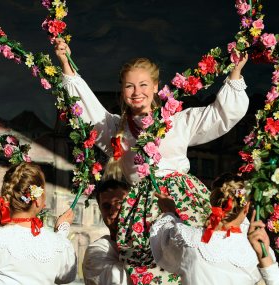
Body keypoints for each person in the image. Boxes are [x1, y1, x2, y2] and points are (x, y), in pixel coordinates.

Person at [55, 38, 249, 284]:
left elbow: (219, 115)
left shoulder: (177, 121)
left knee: (194, 264)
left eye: (144, 85)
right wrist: (65, 63)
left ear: (156, 86)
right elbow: (88, 110)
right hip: (140, 211)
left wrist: (235, 72)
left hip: (182, 202)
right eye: (129, 86)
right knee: (149, 274)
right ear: (122, 90)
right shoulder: (116, 128)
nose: (137, 93)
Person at [150, 173, 279, 285]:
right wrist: (263, 254)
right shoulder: (255, 251)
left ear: (212, 201)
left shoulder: (186, 239)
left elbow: (163, 238)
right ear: (246, 208)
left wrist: (169, 211)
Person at [82, 179, 131, 285]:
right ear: (100, 209)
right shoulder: (97, 250)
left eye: (120, 204)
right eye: (106, 206)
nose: (113, 213)